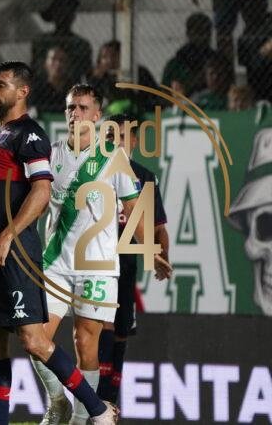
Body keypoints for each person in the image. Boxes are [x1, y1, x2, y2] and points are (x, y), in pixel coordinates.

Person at [0, 62, 117, 425]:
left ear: (22, 91)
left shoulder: (28, 134)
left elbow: (41, 191)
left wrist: (6, 237)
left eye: (0, 85)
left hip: (15, 255)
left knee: (34, 341)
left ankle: (97, 410)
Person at [34, 85, 171, 424]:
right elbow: (31, 204)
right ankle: (58, 400)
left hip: (97, 267)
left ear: (96, 116)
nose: (74, 114)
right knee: (34, 338)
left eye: (82, 108)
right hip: (55, 263)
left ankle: (83, 419)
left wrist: (151, 252)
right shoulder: (50, 155)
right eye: (70, 107)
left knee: (86, 344)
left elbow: (133, 210)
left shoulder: (113, 157)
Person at [97, 114, 170, 407]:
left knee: (120, 334)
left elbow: (158, 226)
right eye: (111, 137)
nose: (117, 143)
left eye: (124, 137)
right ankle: (95, 405)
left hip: (126, 267)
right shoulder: (93, 173)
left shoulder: (145, 176)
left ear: (135, 142)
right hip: (96, 267)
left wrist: (162, 257)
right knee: (101, 329)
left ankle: (110, 405)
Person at [31, 0, 92, 84]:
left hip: (72, 87)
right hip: (43, 87)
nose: (63, 18)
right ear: (54, 16)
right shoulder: (41, 41)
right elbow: (35, 69)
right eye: (60, 13)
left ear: (72, 17)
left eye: (68, 13)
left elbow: (86, 72)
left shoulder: (81, 44)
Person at [161, 13, 217, 98]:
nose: (204, 37)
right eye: (199, 32)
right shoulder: (175, 65)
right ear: (189, 33)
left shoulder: (217, 61)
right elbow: (164, 94)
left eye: (207, 32)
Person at [31, 46, 72, 114]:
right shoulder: (37, 88)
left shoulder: (73, 88)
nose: (58, 64)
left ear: (67, 64)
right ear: (46, 64)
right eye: (53, 59)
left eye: (62, 60)